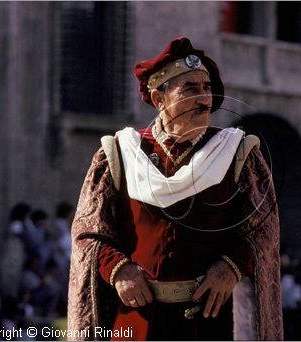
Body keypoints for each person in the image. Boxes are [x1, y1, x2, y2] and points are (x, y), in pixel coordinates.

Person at [68, 36, 282, 340]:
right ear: (159, 100)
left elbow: (263, 230)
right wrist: (119, 270)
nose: (204, 98)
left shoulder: (238, 153)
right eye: (191, 89)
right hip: (136, 319)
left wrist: (231, 267)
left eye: (207, 89)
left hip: (208, 319)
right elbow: (88, 233)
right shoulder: (119, 153)